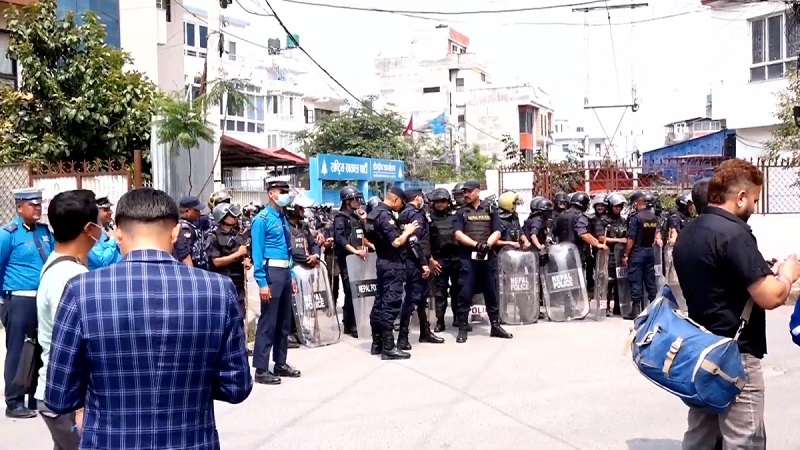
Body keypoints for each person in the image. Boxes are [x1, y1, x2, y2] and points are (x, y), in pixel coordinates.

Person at [45, 187, 252, 448]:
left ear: (118, 233)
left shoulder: (82, 291)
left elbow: (59, 396)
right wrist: (191, 381)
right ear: (175, 232)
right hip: (191, 442)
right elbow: (236, 387)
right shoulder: (218, 290)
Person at [673, 159, 800, 449]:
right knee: (744, 439)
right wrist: (787, 274)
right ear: (741, 197)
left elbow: (720, 279)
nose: (754, 206)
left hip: (700, 349)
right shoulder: (734, 233)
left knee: (702, 437)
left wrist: (764, 271)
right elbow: (771, 296)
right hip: (734, 355)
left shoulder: (690, 231)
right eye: (754, 200)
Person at [35, 190, 100, 450]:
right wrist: (81, 407)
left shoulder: (57, 264)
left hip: (57, 393)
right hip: (69, 399)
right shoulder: (71, 276)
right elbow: (73, 346)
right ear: (90, 229)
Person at [0, 188, 54, 419]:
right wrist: (4, 299)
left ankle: (34, 396)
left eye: (39, 204)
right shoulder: (8, 234)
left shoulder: (44, 232)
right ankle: (14, 401)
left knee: (40, 347)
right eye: (32, 205)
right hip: (19, 298)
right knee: (18, 350)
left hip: (41, 298)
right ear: (19, 207)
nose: (37, 208)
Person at [251, 178, 301, 385]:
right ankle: (261, 369)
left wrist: (292, 275)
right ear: (271, 193)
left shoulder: (282, 218)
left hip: (285, 272)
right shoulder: (261, 219)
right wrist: (262, 282)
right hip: (271, 273)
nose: (285, 195)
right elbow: (257, 252)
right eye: (281, 191)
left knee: (283, 322)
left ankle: (280, 362)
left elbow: (287, 250)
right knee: (268, 322)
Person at [453, 180, 513, 343]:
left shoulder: (490, 209)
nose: (466, 194)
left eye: (469, 191)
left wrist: (487, 244)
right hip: (468, 258)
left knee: (491, 292)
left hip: (487, 257)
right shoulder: (461, 212)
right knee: (465, 293)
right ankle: (463, 327)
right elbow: (458, 234)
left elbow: (497, 231)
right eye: (464, 192)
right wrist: (476, 245)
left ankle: (495, 326)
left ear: (478, 192)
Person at [365, 187, 417, 359]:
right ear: (395, 199)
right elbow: (396, 242)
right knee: (390, 303)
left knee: (380, 302)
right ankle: (388, 347)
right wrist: (408, 232)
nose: (402, 206)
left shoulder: (373, 214)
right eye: (401, 202)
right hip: (392, 264)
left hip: (382, 262)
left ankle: (377, 343)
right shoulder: (384, 215)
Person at [396, 189, 443, 350]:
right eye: (421, 197)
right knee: (412, 299)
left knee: (422, 299)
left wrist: (428, 259)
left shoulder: (406, 213)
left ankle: (425, 332)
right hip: (415, 263)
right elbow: (414, 242)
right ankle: (402, 338)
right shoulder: (414, 214)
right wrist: (424, 263)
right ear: (417, 197)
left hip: (417, 260)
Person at [333, 186, 367, 337]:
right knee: (350, 290)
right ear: (347, 201)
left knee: (359, 290)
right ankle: (350, 324)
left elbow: (363, 235)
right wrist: (354, 251)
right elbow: (340, 239)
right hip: (348, 259)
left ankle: (356, 321)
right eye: (355, 199)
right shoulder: (340, 218)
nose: (358, 202)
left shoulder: (356, 217)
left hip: (359, 259)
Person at [207, 202, 250, 320]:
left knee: (239, 317)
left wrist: (246, 259)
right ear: (223, 217)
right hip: (222, 283)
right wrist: (237, 254)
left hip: (238, 283)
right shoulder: (213, 237)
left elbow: (244, 252)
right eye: (232, 216)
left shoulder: (237, 235)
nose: (236, 218)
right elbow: (216, 262)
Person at [621, 192, 661, 319]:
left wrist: (626, 254)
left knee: (636, 281)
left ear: (635, 203)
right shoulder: (652, 216)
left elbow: (631, 238)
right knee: (650, 281)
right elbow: (655, 233)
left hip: (637, 252)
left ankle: (636, 311)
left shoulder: (635, 217)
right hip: (649, 251)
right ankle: (655, 310)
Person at [428, 188, 461, 331]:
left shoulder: (456, 217)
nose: (440, 204)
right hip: (439, 259)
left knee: (457, 290)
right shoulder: (429, 219)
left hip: (456, 258)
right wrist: (430, 259)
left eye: (443, 201)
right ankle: (440, 321)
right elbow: (426, 241)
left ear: (448, 202)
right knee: (440, 292)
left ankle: (458, 318)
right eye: (437, 202)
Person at [86, 195, 122, 270]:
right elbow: (101, 261)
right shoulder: (91, 234)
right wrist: (112, 239)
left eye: (110, 209)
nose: (110, 212)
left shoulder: (109, 229)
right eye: (106, 210)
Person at [173, 195, 208, 269]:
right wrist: (191, 271)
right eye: (196, 210)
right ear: (187, 211)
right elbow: (183, 253)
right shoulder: (184, 228)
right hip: (190, 269)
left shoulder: (189, 225)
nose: (199, 213)